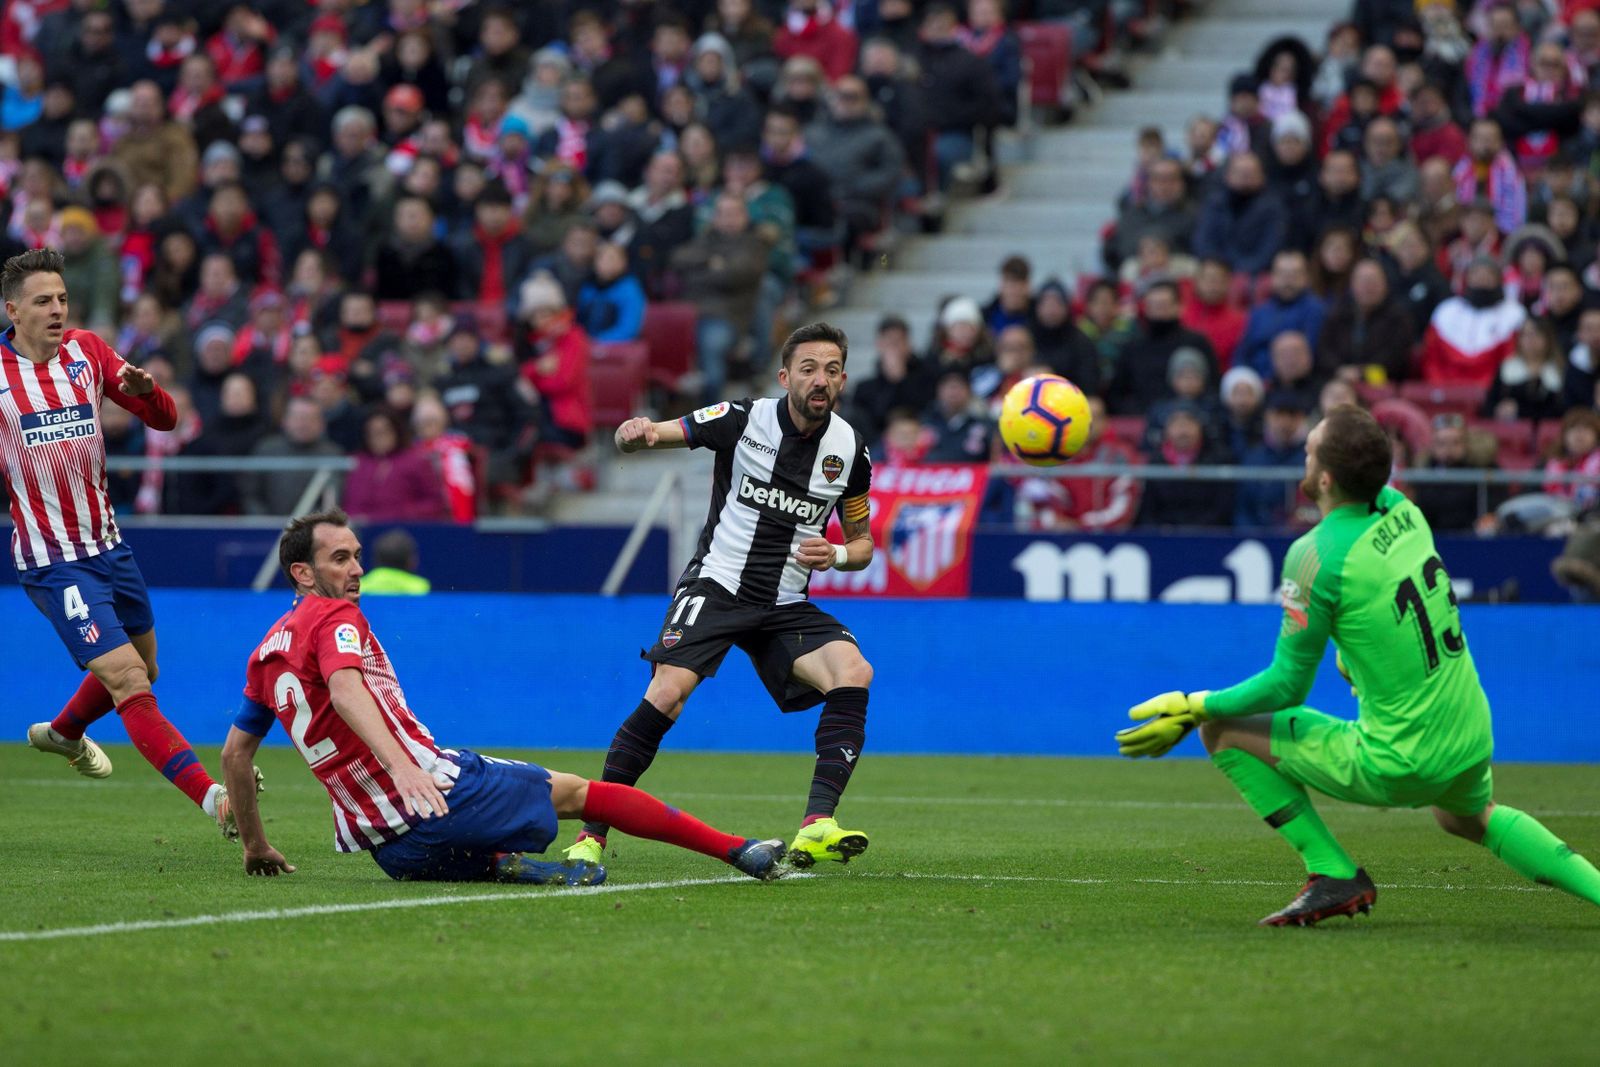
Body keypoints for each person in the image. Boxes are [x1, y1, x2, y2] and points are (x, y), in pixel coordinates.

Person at [1115, 404, 1600, 925]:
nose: (1302, 453)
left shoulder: (1315, 554)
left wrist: (1194, 705)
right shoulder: (1405, 512)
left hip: (1403, 758)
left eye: (1309, 449)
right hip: (1469, 730)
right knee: (1465, 818)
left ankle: (1332, 872)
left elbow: (1286, 685)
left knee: (1223, 731)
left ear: (1323, 477)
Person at [220, 509, 786, 884]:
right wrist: (405, 770)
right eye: (339, 559)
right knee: (582, 794)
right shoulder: (335, 615)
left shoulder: (265, 653)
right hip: (436, 798)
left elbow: (234, 757)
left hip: (392, 853)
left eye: (356, 555)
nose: (357, 570)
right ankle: (737, 849)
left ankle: (509, 867)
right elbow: (345, 690)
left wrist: (255, 845)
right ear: (302, 572)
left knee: (463, 837)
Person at [562, 322, 876, 874]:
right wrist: (634, 432)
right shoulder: (742, 419)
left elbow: (863, 543)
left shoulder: (850, 452)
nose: (819, 380)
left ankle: (817, 827)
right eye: (808, 369)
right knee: (667, 693)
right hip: (718, 584)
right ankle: (591, 835)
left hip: (784, 602)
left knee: (853, 670)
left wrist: (840, 557)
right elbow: (651, 435)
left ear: (844, 379)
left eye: (830, 370)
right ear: (785, 377)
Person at [4, 249, 239, 838]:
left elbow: (164, 420)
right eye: (43, 301)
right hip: (53, 561)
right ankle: (213, 799)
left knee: (147, 668)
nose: (58, 310)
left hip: (110, 547)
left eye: (62, 298)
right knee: (130, 681)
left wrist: (148, 391)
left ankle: (62, 733)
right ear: (13, 310)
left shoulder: (88, 351)